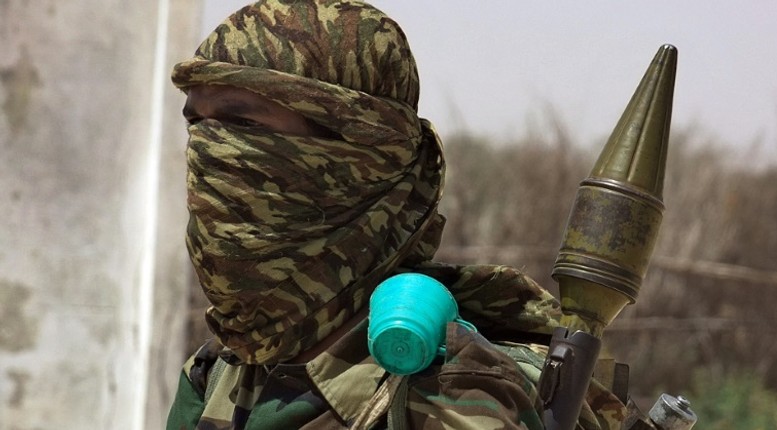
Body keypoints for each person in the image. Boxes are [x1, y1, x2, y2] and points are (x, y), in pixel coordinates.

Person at [166, 1, 626, 429]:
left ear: (355, 158)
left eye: (241, 124)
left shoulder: (458, 395)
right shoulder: (217, 374)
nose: (207, 151)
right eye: (196, 124)